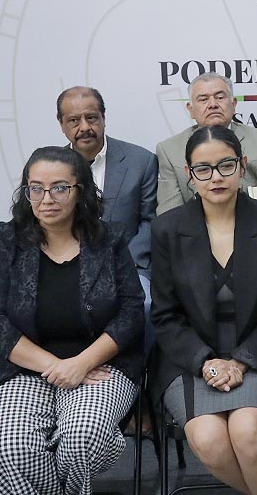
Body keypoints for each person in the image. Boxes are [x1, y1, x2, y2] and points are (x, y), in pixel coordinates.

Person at [0, 146, 144, 495]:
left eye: (59, 188)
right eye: (35, 188)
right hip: (22, 366)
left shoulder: (109, 239)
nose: (46, 198)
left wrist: (82, 363)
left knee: (82, 439)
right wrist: (57, 366)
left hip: (100, 364)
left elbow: (131, 311)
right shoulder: (9, 238)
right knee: (10, 446)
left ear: (80, 191)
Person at [150, 126, 257, 494]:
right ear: (189, 175)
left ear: (242, 166)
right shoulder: (168, 229)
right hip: (191, 355)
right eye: (203, 169)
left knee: (248, 432)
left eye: (225, 165)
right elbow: (165, 316)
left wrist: (241, 362)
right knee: (209, 439)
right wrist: (205, 361)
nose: (215, 177)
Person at [57, 86, 157, 354]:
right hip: (65, 265)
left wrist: (121, 261)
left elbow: (151, 221)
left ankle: (143, 378)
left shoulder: (141, 161)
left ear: (103, 118)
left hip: (128, 265)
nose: (84, 127)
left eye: (91, 118)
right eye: (73, 121)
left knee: (145, 305)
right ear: (62, 125)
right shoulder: (50, 167)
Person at [155, 72, 257, 215]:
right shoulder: (169, 150)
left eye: (220, 97)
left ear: (233, 104)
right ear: (190, 109)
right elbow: (169, 216)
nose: (213, 104)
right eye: (203, 99)